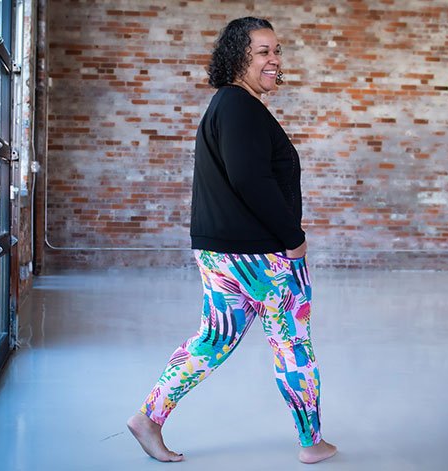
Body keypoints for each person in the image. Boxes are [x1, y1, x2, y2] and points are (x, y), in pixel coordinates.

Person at [127, 16, 337, 464]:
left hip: (224, 253)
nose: (274, 60)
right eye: (263, 52)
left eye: (277, 51)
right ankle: (311, 443)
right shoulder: (240, 107)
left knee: (211, 340)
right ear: (238, 57)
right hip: (263, 255)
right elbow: (250, 180)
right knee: (292, 345)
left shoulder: (228, 106)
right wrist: (293, 238)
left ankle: (148, 418)